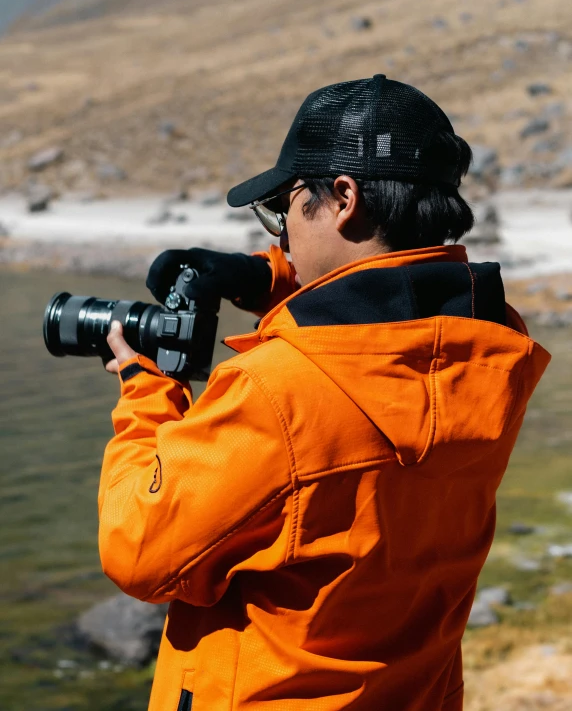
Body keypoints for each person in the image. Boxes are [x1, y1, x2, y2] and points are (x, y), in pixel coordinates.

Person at [100, 75, 550, 711]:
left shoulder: (278, 390)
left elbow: (137, 550)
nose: (281, 230)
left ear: (343, 198)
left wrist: (146, 386)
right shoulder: (494, 346)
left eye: (285, 207)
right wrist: (265, 275)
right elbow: (393, 297)